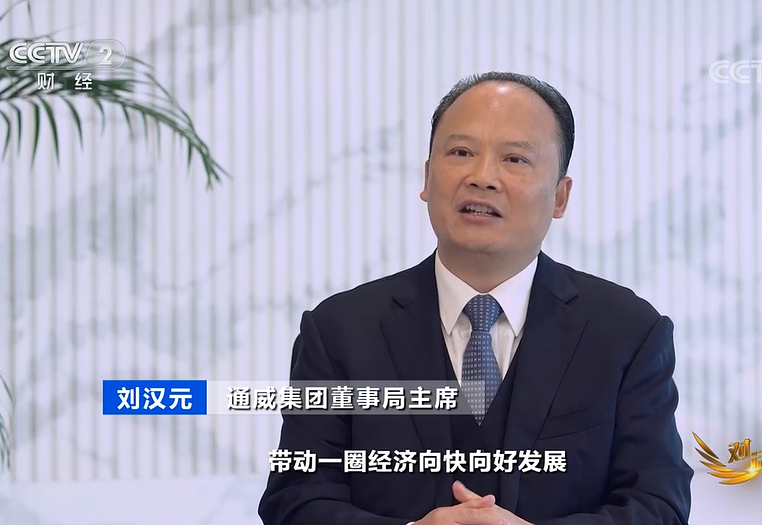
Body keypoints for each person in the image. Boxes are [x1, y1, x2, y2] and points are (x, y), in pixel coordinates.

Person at [258, 71, 693, 525]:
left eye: (515, 159)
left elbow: (658, 505)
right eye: (461, 152)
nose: (483, 177)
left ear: (560, 197)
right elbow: (295, 500)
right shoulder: (339, 331)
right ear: (427, 177)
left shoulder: (626, 333)